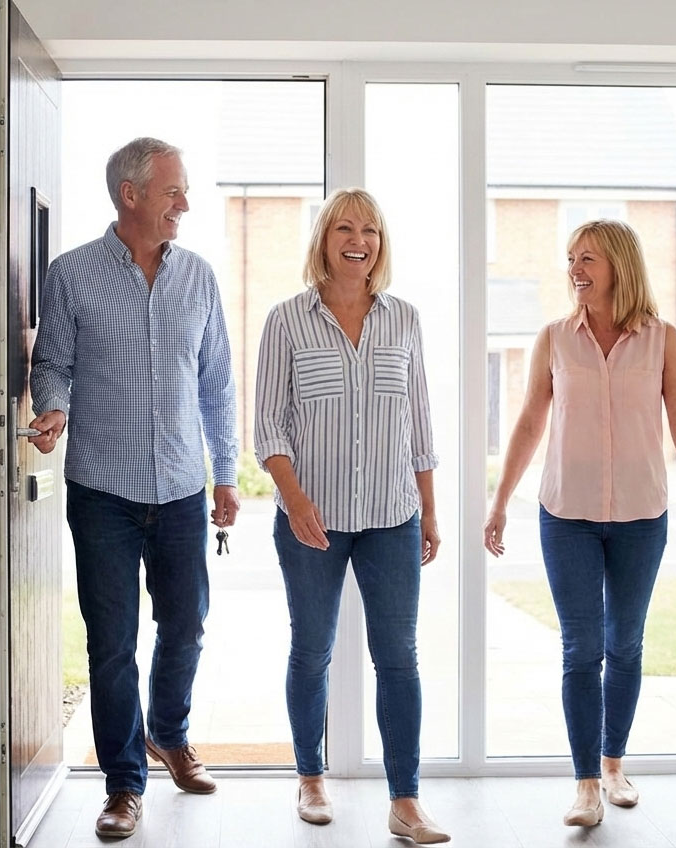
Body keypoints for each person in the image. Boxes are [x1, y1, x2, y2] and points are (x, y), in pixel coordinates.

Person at [27, 137, 240, 839]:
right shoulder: (71, 274)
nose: (185, 204)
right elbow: (52, 362)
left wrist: (226, 473)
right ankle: (123, 784)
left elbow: (216, 383)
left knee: (186, 624)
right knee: (111, 643)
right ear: (131, 194)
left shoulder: (198, 277)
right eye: (174, 191)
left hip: (180, 488)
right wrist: (53, 408)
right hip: (102, 491)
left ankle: (168, 734)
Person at [483, 219, 676, 828]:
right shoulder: (554, 339)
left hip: (642, 515)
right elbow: (529, 421)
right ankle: (585, 782)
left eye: (587, 258)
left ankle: (614, 764)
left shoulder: (662, 339)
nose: (575, 269)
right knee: (581, 648)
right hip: (568, 516)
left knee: (626, 643)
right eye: (570, 258)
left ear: (619, 263)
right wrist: (500, 500)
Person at [253, 188, 450, 845]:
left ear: (380, 244)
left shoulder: (404, 320)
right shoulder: (287, 320)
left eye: (369, 230)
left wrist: (429, 510)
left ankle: (406, 800)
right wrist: (296, 500)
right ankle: (310, 778)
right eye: (344, 228)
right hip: (311, 520)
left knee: (398, 657)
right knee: (312, 650)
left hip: (392, 516)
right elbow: (269, 426)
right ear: (324, 239)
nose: (357, 240)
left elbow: (419, 423)